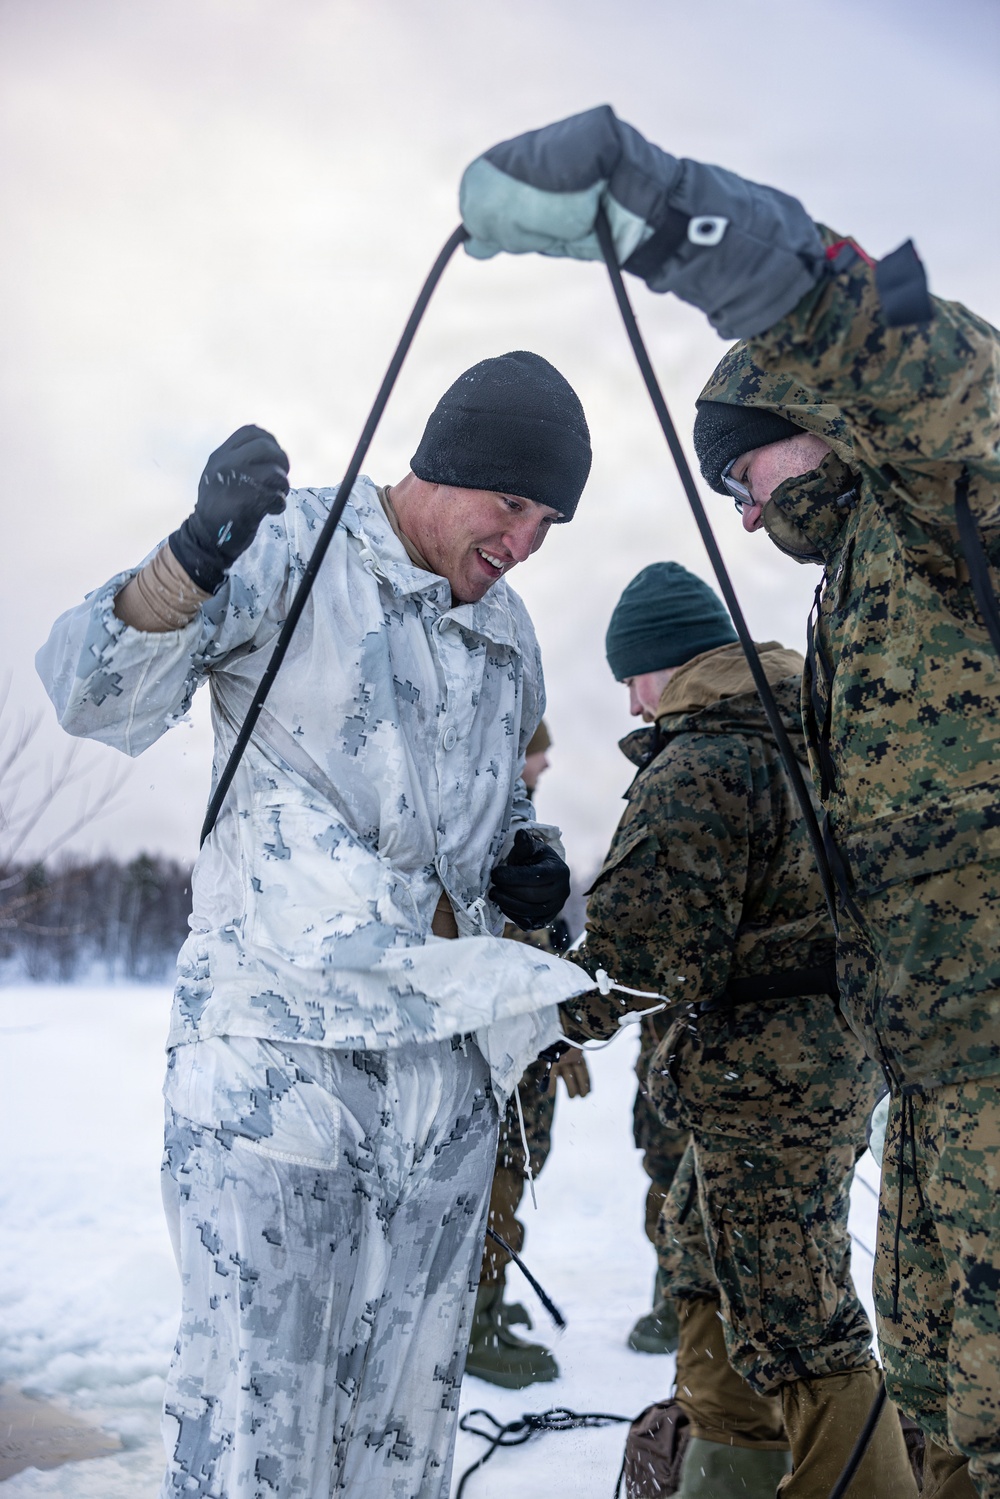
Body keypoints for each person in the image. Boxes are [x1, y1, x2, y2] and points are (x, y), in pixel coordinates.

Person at [459, 106, 1000, 1498]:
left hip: (963, 1066)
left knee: (873, 1366)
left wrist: (676, 216)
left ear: (824, 415)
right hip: (930, 1081)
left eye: (742, 473)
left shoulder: (950, 501)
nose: (745, 516)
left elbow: (924, 367)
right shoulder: (855, 596)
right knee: (937, 1397)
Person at [36, 350, 599, 1499]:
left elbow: (498, 810)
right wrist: (189, 559)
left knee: (402, 1440)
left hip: (440, 1093)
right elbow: (92, 693)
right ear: (447, 466)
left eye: (550, 522)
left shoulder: (509, 631)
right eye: (513, 506)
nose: (525, 542)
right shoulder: (288, 549)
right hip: (278, 1077)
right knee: (262, 1430)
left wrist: (527, 861)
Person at [567, 561, 914, 1498]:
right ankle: (729, 1470)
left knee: (801, 1322)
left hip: (763, 1081)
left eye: (629, 680)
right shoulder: (816, 730)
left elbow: (642, 952)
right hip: (829, 1062)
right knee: (705, 1243)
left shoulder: (708, 758)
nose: (633, 707)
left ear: (658, 666)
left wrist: (539, 1000)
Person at [466, 719, 593, 1389]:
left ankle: (486, 1303)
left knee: (512, 1179)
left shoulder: (517, 830)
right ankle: (473, 1325)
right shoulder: (489, 831)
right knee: (495, 1188)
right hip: (505, 1059)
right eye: (537, 754)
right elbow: (512, 950)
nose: (544, 767)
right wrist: (557, 1028)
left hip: (528, 1063)